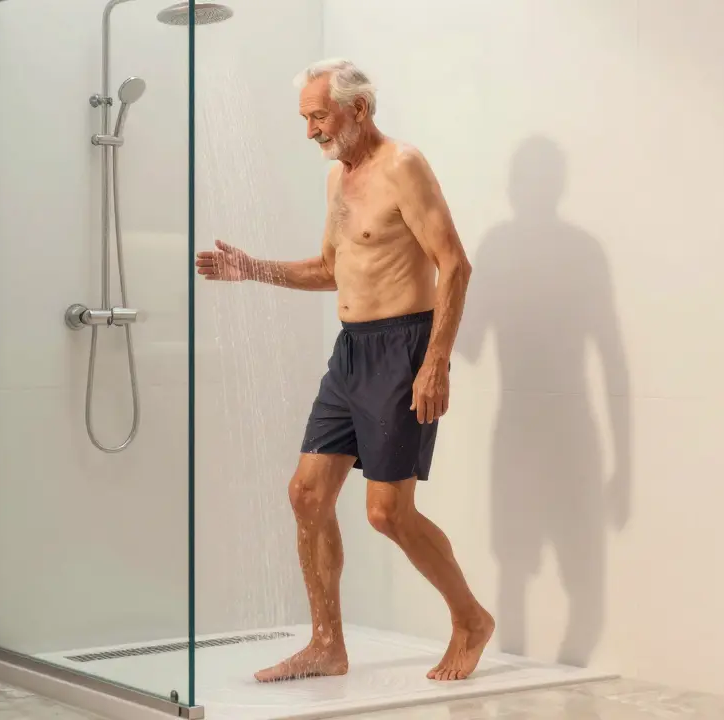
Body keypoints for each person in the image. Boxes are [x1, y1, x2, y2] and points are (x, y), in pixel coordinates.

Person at [196, 58, 494, 683]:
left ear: (358, 109)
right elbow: (333, 269)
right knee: (306, 495)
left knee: (387, 513)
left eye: (318, 116)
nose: (310, 131)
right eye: (305, 118)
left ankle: (470, 620)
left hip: (403, 349)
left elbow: (455, 265)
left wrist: (436, 361)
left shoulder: (403, 166)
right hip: (351, 352)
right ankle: (326, 643)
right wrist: (254, 269)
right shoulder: (338, 179)